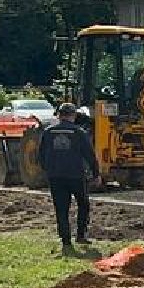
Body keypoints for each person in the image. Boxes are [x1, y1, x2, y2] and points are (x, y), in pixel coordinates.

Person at [38, 103, 101, 251]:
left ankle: (66, 240)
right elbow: (90, 155)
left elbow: (40, 156)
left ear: (59, 115)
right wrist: (96, 174)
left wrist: (49, 169)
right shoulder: (79, 132)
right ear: (73, 115)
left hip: (56, 176)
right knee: (83, 205)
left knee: (61, 208)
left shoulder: (48, 132)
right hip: (76, 176)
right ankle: (81, 235)